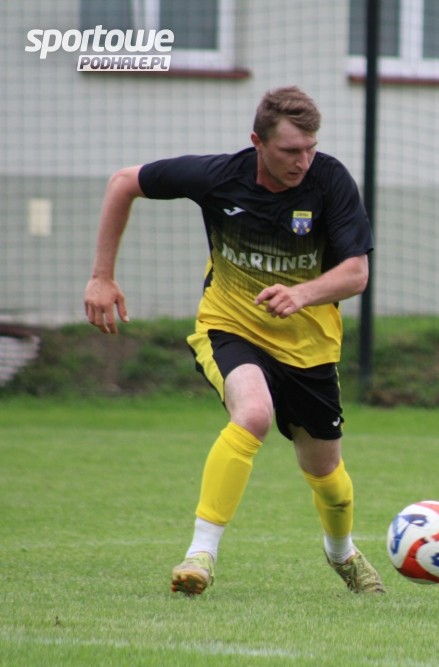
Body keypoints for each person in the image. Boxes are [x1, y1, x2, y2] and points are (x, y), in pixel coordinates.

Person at [83, 86, 385, 596]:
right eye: (290, 150)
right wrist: (101, 276)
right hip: (231, 326)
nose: (303, 161)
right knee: (253, 414)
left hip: (309, 348)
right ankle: (200, 554)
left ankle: (342, 553)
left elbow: (356, 273)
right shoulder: (220, 177)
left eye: (310, 148)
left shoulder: (330, 181)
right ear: (257, 142)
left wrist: (302, 294)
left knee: (327, 474)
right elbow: (123, 182)